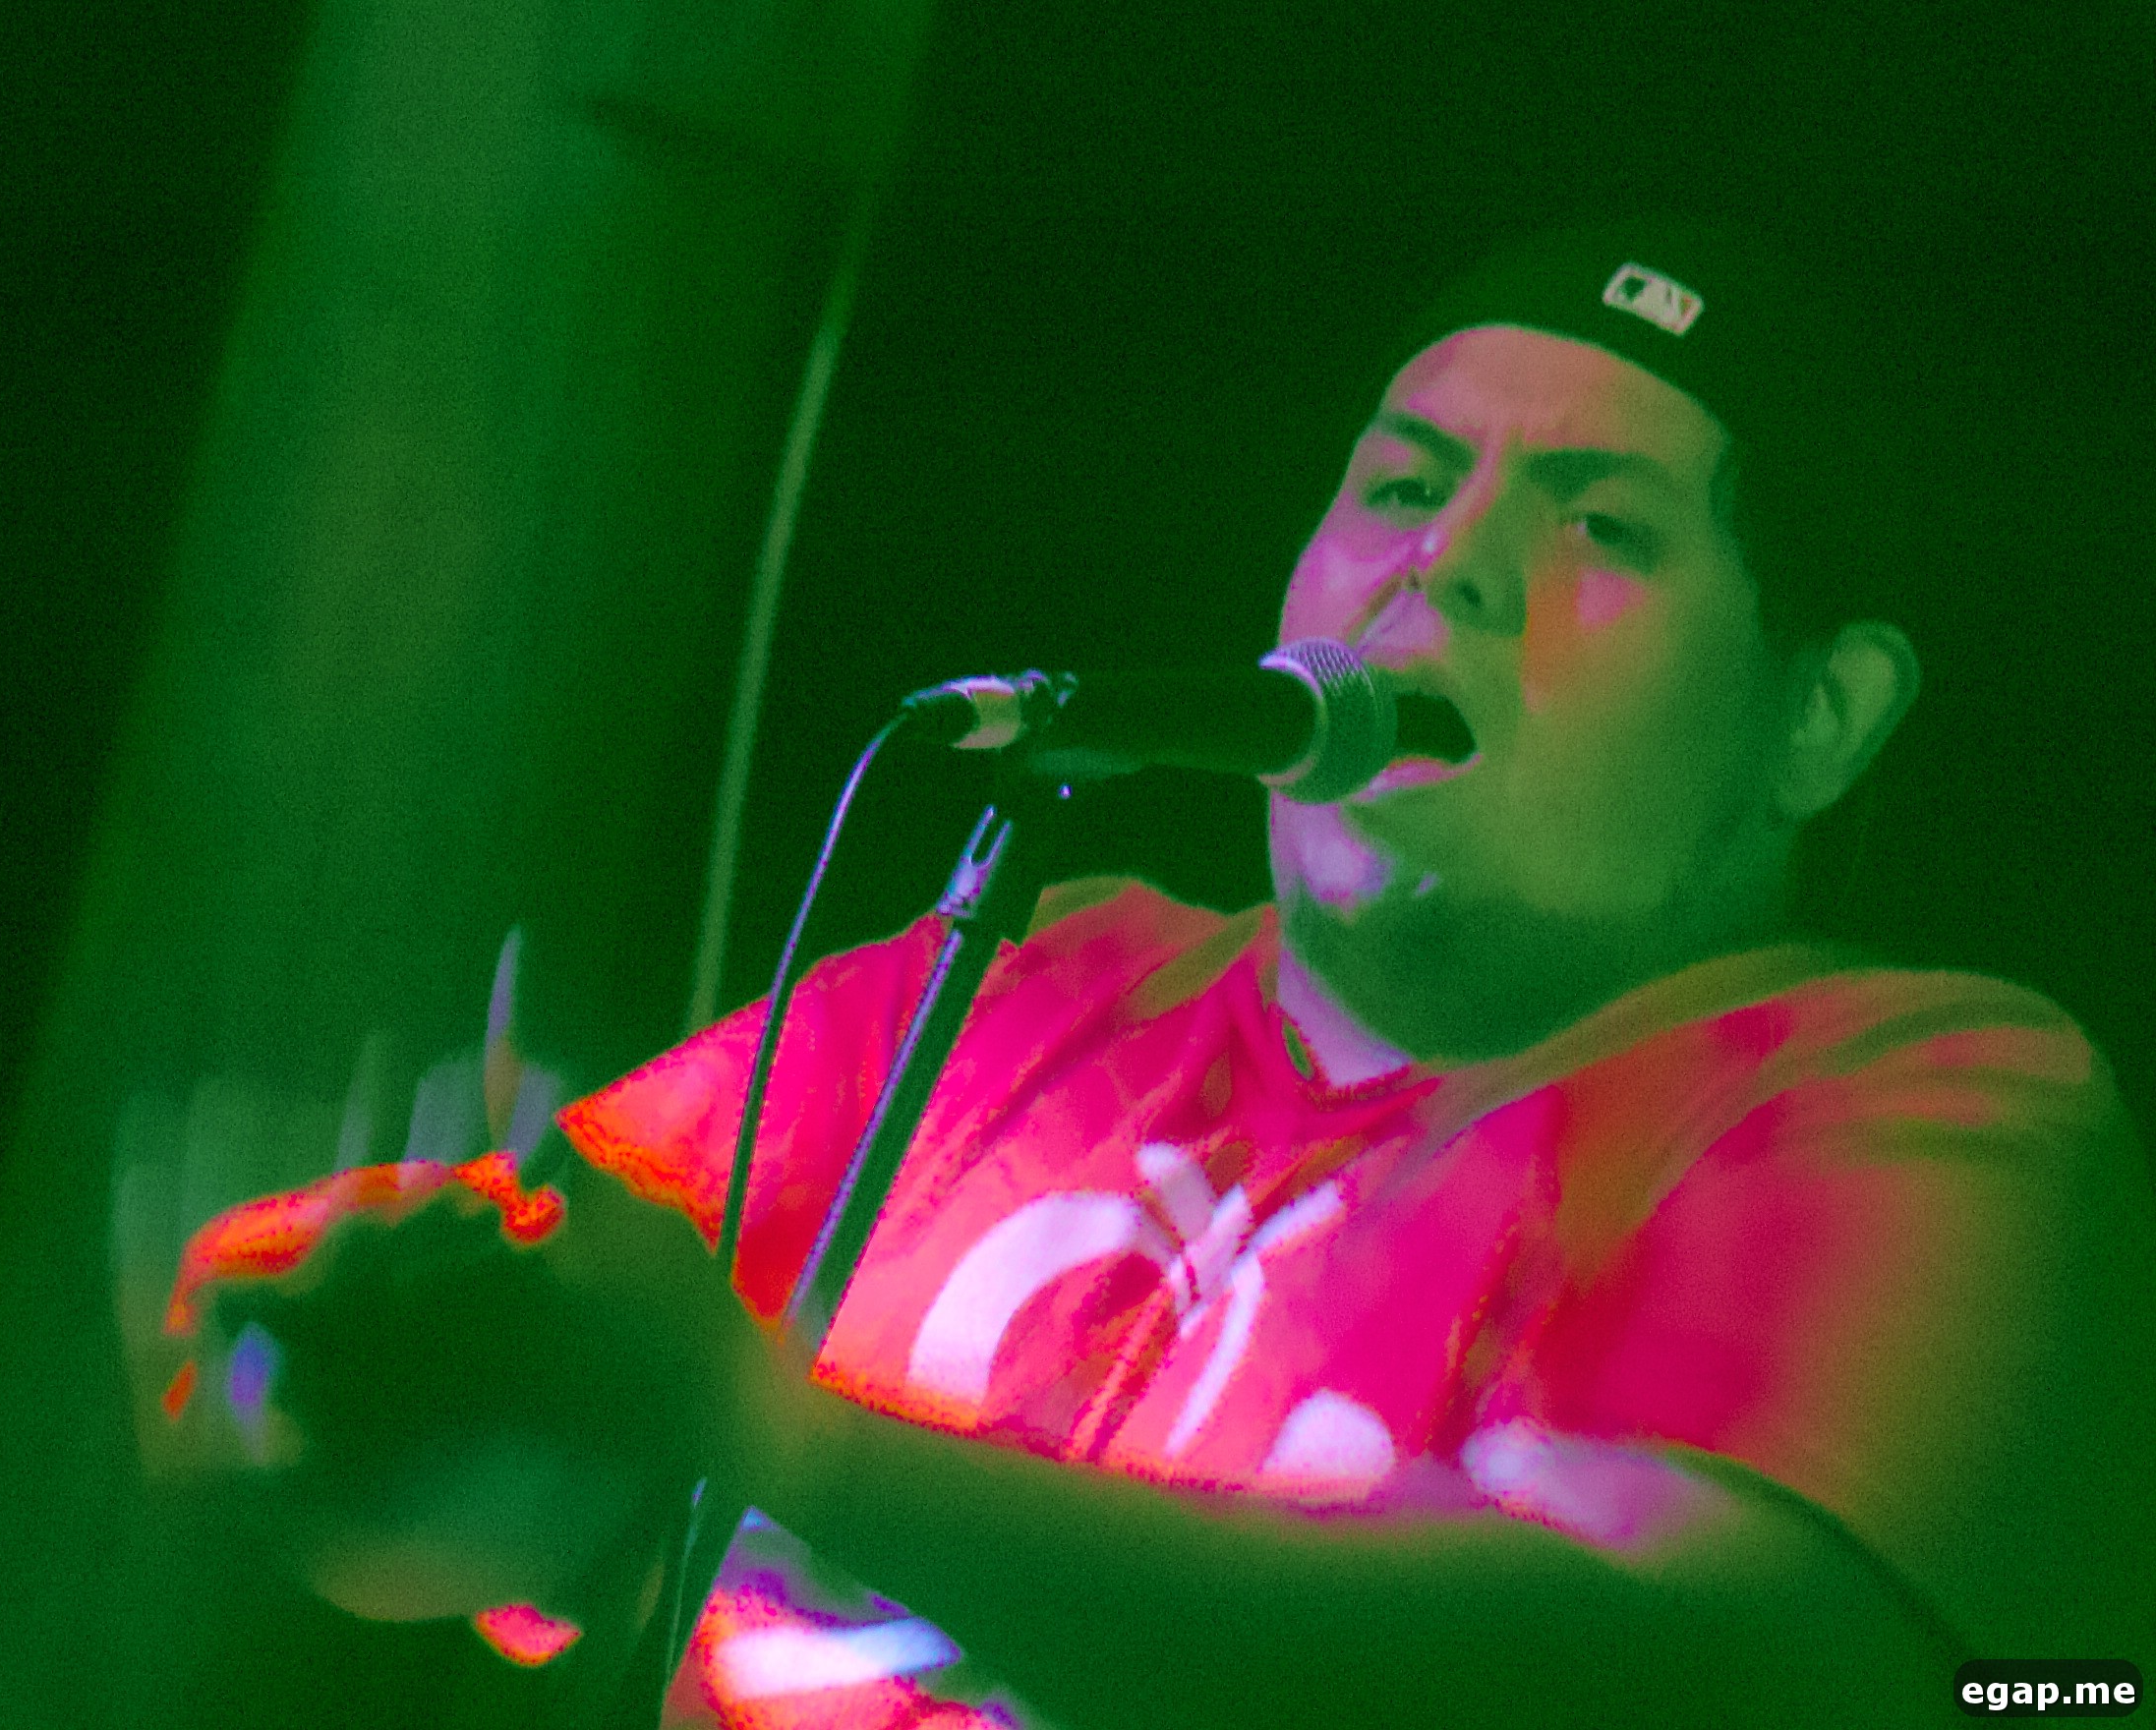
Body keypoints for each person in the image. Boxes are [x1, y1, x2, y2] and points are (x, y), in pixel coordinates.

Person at [161, 221, 2154, 1727]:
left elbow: (1651, 1671)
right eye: (1402, 487)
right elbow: (522, 1498)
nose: (1447, 563)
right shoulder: (1015, 978)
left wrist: (785, 1438)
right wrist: (345, 1388)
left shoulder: (1919, 1098)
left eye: (1602, 527)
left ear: (1821, 716)